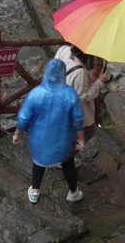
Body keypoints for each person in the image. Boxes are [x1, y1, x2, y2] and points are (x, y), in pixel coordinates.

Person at [12, 59, 85, 204]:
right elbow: (78, 120)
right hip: (63, 140)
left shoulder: (36, 93)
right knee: (68, 164)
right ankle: (73, 192)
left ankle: (34, 191)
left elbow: (23, 117)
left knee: (38, 164)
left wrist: (17, 134)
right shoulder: (70, 94)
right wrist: (81, 140)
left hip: (39, 140)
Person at [54, 45, 109, 141]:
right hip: (74, 113)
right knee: (86, 133)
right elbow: (84, 97)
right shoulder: (80, 72)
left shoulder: (63, 49)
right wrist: (100, 82)